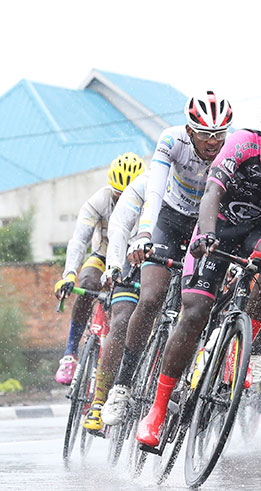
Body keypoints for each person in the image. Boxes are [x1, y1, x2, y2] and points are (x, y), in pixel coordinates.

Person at [136, 97, 261, 446]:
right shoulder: (241, 144)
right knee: (193, 313)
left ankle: (244, 345)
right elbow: (212, 191)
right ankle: (158, 410)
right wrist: (205, 234)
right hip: (217, 226)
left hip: (255, 228)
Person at [100, 91, 232, 426]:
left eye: (220, 134)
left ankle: (190, 380)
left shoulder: (231, 152)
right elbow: (155, 192)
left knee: (201, 306)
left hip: (204, 228)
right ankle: (123, 385)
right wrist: (144, 234)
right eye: (205, 135)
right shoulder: (172, 140)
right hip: (168, 222)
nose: (214, 142)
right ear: (190, 131)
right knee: (151, 297)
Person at [52, 152, 146, 385]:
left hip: (132, 259)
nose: (123, 199)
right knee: (88, 283)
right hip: (103, 255)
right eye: (118, 194)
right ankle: (70, 354)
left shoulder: (148, 200)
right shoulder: (99, 200)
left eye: (128, 195)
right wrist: (69, 275)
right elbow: (79, 240)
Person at [82, 169, 150, 431]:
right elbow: (118, 232)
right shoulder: (141, 189)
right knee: (122, 321)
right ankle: (99, 402)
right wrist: (113, 268)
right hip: (130, 257)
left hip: (166, 259)